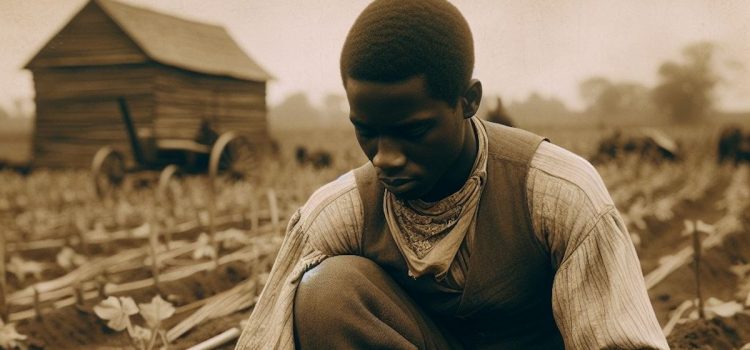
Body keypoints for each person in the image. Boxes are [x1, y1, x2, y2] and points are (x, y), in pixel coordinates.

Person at [236, 0, 668, 349]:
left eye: (414, 131)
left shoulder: (559, 193)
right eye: (366, 131)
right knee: (326, 291)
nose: (384, 157)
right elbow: (265, 341)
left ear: (468, 101)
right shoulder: (338, 213)